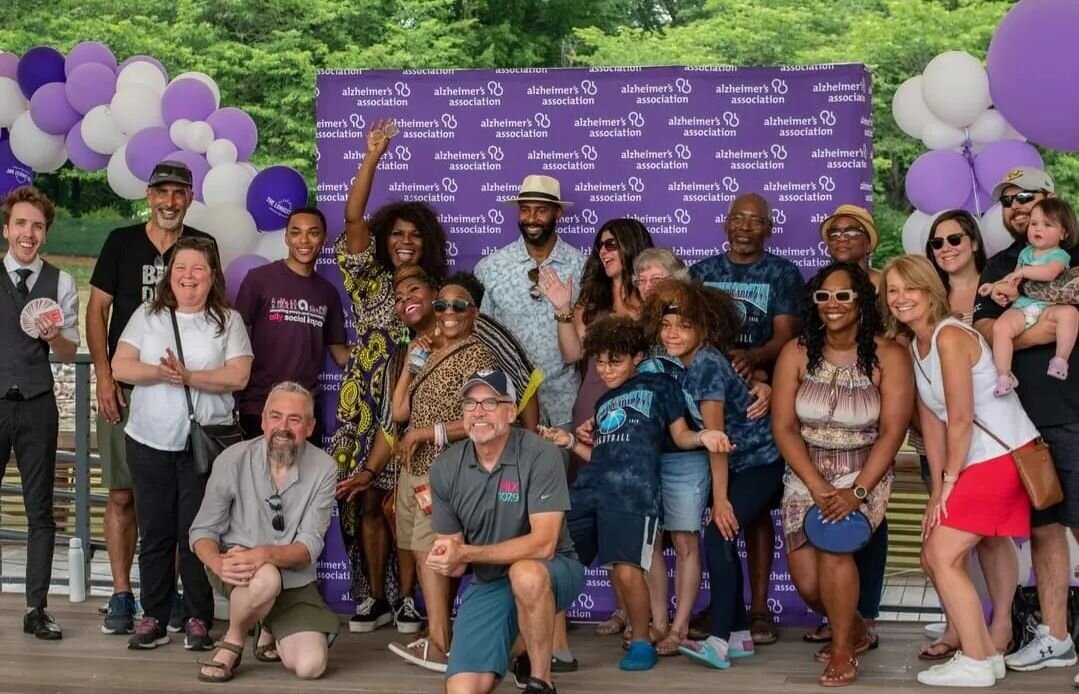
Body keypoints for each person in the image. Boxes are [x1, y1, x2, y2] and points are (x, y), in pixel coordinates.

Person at [541, 315, 732, 672]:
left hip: (634, 495)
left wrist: (704, 436)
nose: (606, 368)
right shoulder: (603, 403)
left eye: (616, 360)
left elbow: (680, 436)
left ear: (638, 357)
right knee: (557, 564)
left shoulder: (660, 386)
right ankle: (554, 648)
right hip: (589, 490)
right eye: (600, 360)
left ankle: (642, 641)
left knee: (628, 571)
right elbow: (601, 454)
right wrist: (567, 441)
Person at [883, 255, 1035, 687]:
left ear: (930, 289)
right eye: (892, 290)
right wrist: (936, 491)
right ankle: (985, 656)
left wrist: (950, 482)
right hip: (974, 460)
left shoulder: (951, 336)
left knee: (939, 555)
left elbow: (963, 417)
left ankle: (977, 658)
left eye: (909, 288)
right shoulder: (917, 344)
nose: (900, 298)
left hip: (998, 456)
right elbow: (933, 421)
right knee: (947, 550)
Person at [87, 160, 216, 635]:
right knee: (123, 495)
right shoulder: (122, 241)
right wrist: (104, 377)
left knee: (181, 504)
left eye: (178, 193)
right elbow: (97, 311)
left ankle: (175, 597)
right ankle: (123, 594)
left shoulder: (201, 246)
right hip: (126, 388)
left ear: (189, 197)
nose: (169, 201)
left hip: (182, 399)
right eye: (161, 192)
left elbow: (216, 308)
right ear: (148, 195)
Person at [330, 119, 448, 633]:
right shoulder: (366, 278)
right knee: (361, 503)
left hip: (416, 404)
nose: (405, 241)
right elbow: (354, 215)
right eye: (396, 233)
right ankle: (373, 597)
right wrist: (372, 155)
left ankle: (408, 599)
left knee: (408, 506)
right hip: (362, 405)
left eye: (413, 235)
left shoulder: (437, 291)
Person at [771, 262, 911, 687]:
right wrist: (816, 484)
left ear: (861, 303)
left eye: (843, 296)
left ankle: (843, 650)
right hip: (805, 472)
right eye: (823, 296)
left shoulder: (889, 355)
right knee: (810, 588)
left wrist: (859, 490)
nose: (832, 304)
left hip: (863, 471)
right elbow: (784, 427)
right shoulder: (796, 352)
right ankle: (856, 628)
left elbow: (893, 431)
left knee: (834, 549)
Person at [111, 236, 253, 651]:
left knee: (197, 533)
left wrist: (189, 377)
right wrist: (161, 372)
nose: (188, 276)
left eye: (197, 269)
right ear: (168, 276)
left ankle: (196, 616)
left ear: (212, 277)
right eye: (180, 269)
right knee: (155, 533)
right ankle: (153, 615)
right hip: (149, 440)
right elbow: (121, 364)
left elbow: (238, 377)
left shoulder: (228, 321)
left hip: (203, 446)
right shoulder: (146, 316)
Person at [636, 280, 783, 667]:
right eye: (667, 325)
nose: (673, 334)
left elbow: (717, 441)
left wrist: (719, 501)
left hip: (758, 460)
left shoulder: (704, 365)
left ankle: (718, 641)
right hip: (737, 462)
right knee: (722, 538)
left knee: (719, 534)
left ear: (703, 327)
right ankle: (738, 636)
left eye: (684, 326)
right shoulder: (687, 362)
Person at [974, 167, 1079, 682]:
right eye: (1010, 200)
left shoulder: (1073, 254)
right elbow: (985, 328)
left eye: (1028, 199)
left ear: (1051, 205)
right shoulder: (999, 262)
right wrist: (1036, 324)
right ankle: (1057, 637)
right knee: (1046, 529)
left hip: (1073, 412)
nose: (1017, 207)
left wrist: (1027, 331)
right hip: (1021, 422)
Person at [423, 370, 584, 694]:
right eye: (470, 403)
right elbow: (455, 560)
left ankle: (541, 681)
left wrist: (467, 553)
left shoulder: (542, 454)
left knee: (526, 574)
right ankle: (518, 649)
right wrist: (446, 557)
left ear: (511, 412)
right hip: (490, 580)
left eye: (490, 403)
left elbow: (544, 545)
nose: (478, 412)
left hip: (555, 570)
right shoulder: (444, 469)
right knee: (463, 689)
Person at [689, 192, 804, 645]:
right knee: (719, 509)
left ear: (767, 228)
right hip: (716, 400)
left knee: (753, 515)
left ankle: (758, 610)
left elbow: (785, 334)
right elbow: (692, 337)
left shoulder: (782, 272)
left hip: (759, 402)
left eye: (754, 221)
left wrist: (754, 360)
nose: (744, 227)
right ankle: (725, 607)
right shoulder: (703, 273)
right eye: (737, 218)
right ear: (725, 223)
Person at [189, 382, 339, 682]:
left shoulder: (325, 467)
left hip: (294, 581)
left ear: (309, 427)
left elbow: (309, 546)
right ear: (262, 421)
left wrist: (264, 555)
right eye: (275, 416)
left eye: (294, 420)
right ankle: (233, 640)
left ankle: (268, 624)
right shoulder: (233, 458)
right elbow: (202, 531)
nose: (283, 427)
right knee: (266, 578)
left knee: (311, 666)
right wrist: (217, 562)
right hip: (237, 569)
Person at [387, 272, 496, 672]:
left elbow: (483, 418)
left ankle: (439, 641)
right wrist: (410, 367)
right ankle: (438, 635)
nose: (448, 312)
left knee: (435, 551)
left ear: (474, 313)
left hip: (447, 471)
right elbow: (399, 412)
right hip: (414, 471)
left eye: (457, 305)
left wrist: (425, 433)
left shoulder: (477, 356)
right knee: (420, 550)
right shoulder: (428, 351)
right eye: (442, 305)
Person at [1, 186, 79, 640]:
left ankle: (36, 608)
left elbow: (69, 354)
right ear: (7, 228)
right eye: (21, 224)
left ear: (44, 234)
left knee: (40, 511)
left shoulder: (62, 283)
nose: (28, 234)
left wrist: (54, 337)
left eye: (37, 226)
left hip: (37, 405)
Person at [475, 174, 587, 431]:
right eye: (525, 210)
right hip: (508, 404)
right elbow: (481, 339)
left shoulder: (581, 267)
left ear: (558, 213)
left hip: (564, 404)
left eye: (541, 211)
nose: (531, 219)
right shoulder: (491, 268)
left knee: (559, 471)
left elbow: (583, 346)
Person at [233, 206, 349, 441]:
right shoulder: (259, 279)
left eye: (313, 233)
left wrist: (380, 351)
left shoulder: (327, 293)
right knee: (259, 477)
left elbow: (341, 355)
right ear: (286, 238)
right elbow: (234, 338)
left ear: (323, 240)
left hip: (304, 411)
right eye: (296, 232)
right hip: (260, 407)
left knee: (304, 478)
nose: (304, 240)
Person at [981, 198, 1079, 394]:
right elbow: (1013, 282)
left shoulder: (1060, 255)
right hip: (1023, 306)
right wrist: (995, 288)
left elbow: (1050, 273)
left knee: (1069, 314)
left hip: (1047, 307)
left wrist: (1023, 273)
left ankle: (1060, 359)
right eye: (1033, 224)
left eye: (1047, 224)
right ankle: (1004, 375)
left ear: (1063, 233)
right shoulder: (1025, 253)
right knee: (1000, 327)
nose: (1038, 229)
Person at [820, 204, 882, 288]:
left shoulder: (886, 284)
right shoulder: (819, 284)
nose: (841, 238)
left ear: (868, 245)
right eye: (834, 233)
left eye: (852, 232)